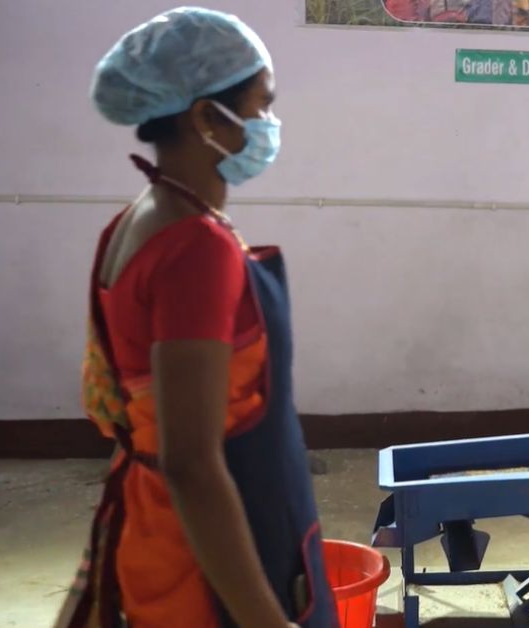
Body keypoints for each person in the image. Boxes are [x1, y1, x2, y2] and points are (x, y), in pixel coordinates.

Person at [56, 8, 334, 628]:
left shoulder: (137, 219)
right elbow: (191, 464)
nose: (267, 124)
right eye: (260, 107)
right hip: (201, 565)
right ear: (207, 117)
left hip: (161, 524)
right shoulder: (195, 247)